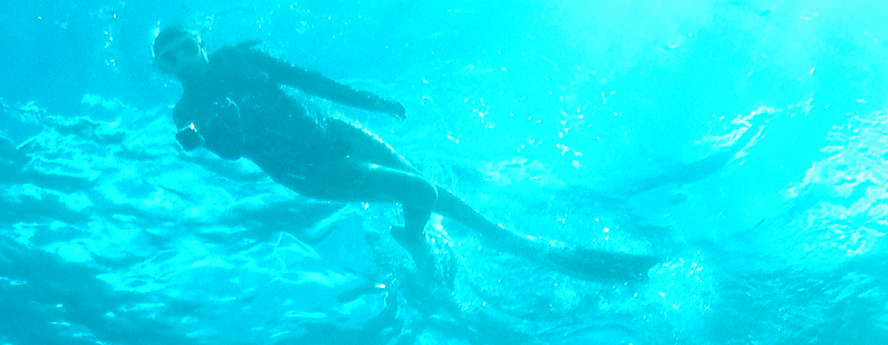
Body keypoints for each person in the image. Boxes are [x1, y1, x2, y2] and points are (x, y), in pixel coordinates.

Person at [152, 26, 652, 285]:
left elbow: (308, 81)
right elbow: (234, 154)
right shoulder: (187, 111)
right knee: (420, 191)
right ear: (163, 68)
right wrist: (229, 124)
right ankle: (413, 240)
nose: (183, 60)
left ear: (200, 44)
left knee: (429, 190)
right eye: (170, 57)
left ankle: (508, 239)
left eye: (187, 48)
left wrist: (372, 103)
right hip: (307, 169)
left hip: (332, 130)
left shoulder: (241, 57)